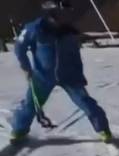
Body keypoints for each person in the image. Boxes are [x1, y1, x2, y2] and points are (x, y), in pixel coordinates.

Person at [10, 0, 111, 144]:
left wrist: (78, 75)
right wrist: (26, 67)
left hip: (68, 75)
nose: (65, 18)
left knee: (85, 102)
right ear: (51, 14)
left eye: (66, 14)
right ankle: (19, 130)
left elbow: (75, 57)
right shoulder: (35, 28)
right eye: (61, 14)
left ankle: (103, 129)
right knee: (31, 104)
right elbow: (20, 48)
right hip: (42, 76)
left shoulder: (69, 33)